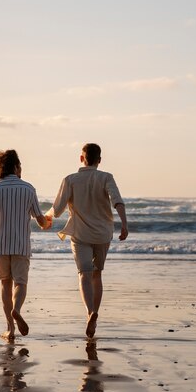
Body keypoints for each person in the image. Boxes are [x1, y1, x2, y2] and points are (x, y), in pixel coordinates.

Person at [0, 149, 51, 341]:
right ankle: (17, 309)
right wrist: (47, 221)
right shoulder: (29, 189)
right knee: (20, 283)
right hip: (21, 244)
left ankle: (10, 329)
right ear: (16, 167)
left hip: (0, 244)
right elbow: (39, 220)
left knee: (5, 284)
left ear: (0, 168)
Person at [48, 143, 128, 338]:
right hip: (102, 234)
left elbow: (57, 210)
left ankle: (89, 312)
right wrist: (124, 224)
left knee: (84, 274)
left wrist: (44, 218)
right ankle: (95, 314)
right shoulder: (106, 177)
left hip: (80, 234)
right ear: (99, 160)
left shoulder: (70, 180)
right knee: (97, 274)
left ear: (81, 158)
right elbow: (117, 200)